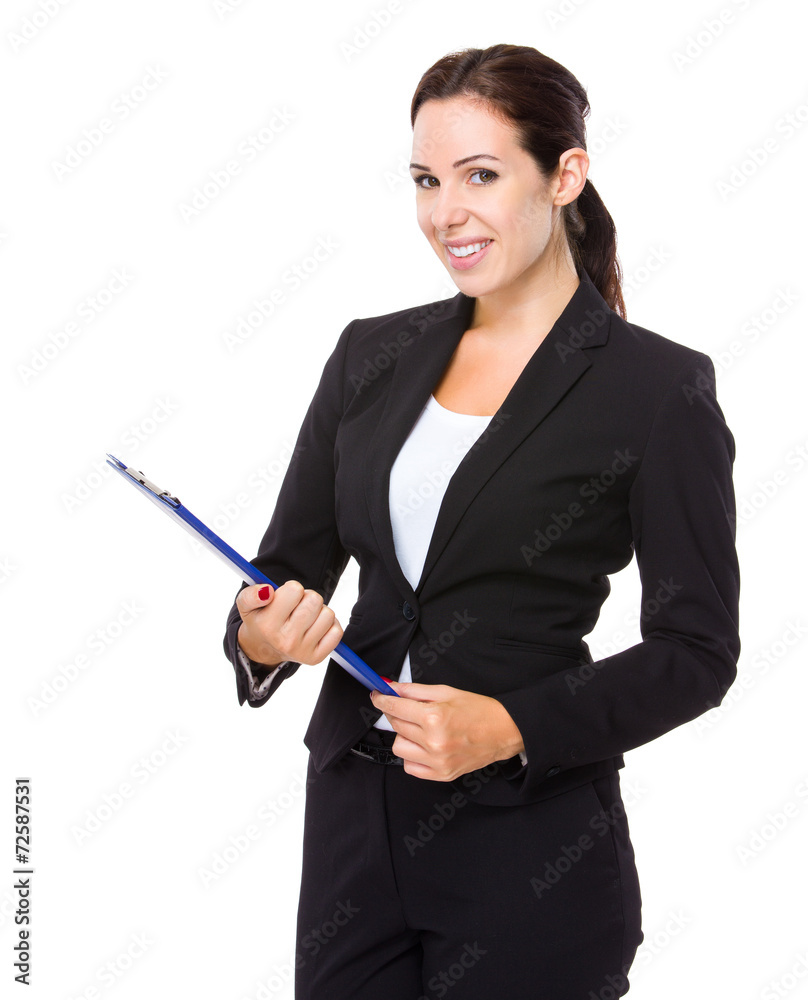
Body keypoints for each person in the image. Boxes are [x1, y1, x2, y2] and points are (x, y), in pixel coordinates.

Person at [223, 43, 740, 999]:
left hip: (529, 845)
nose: (444, 212)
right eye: (426, 180)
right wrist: (263, 635)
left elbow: (697, 652)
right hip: (354, 834)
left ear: (565, 176)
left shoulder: (657, 389)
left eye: (480, 176)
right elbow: (282, 571)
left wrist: (510, 725)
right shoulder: (369, 355)